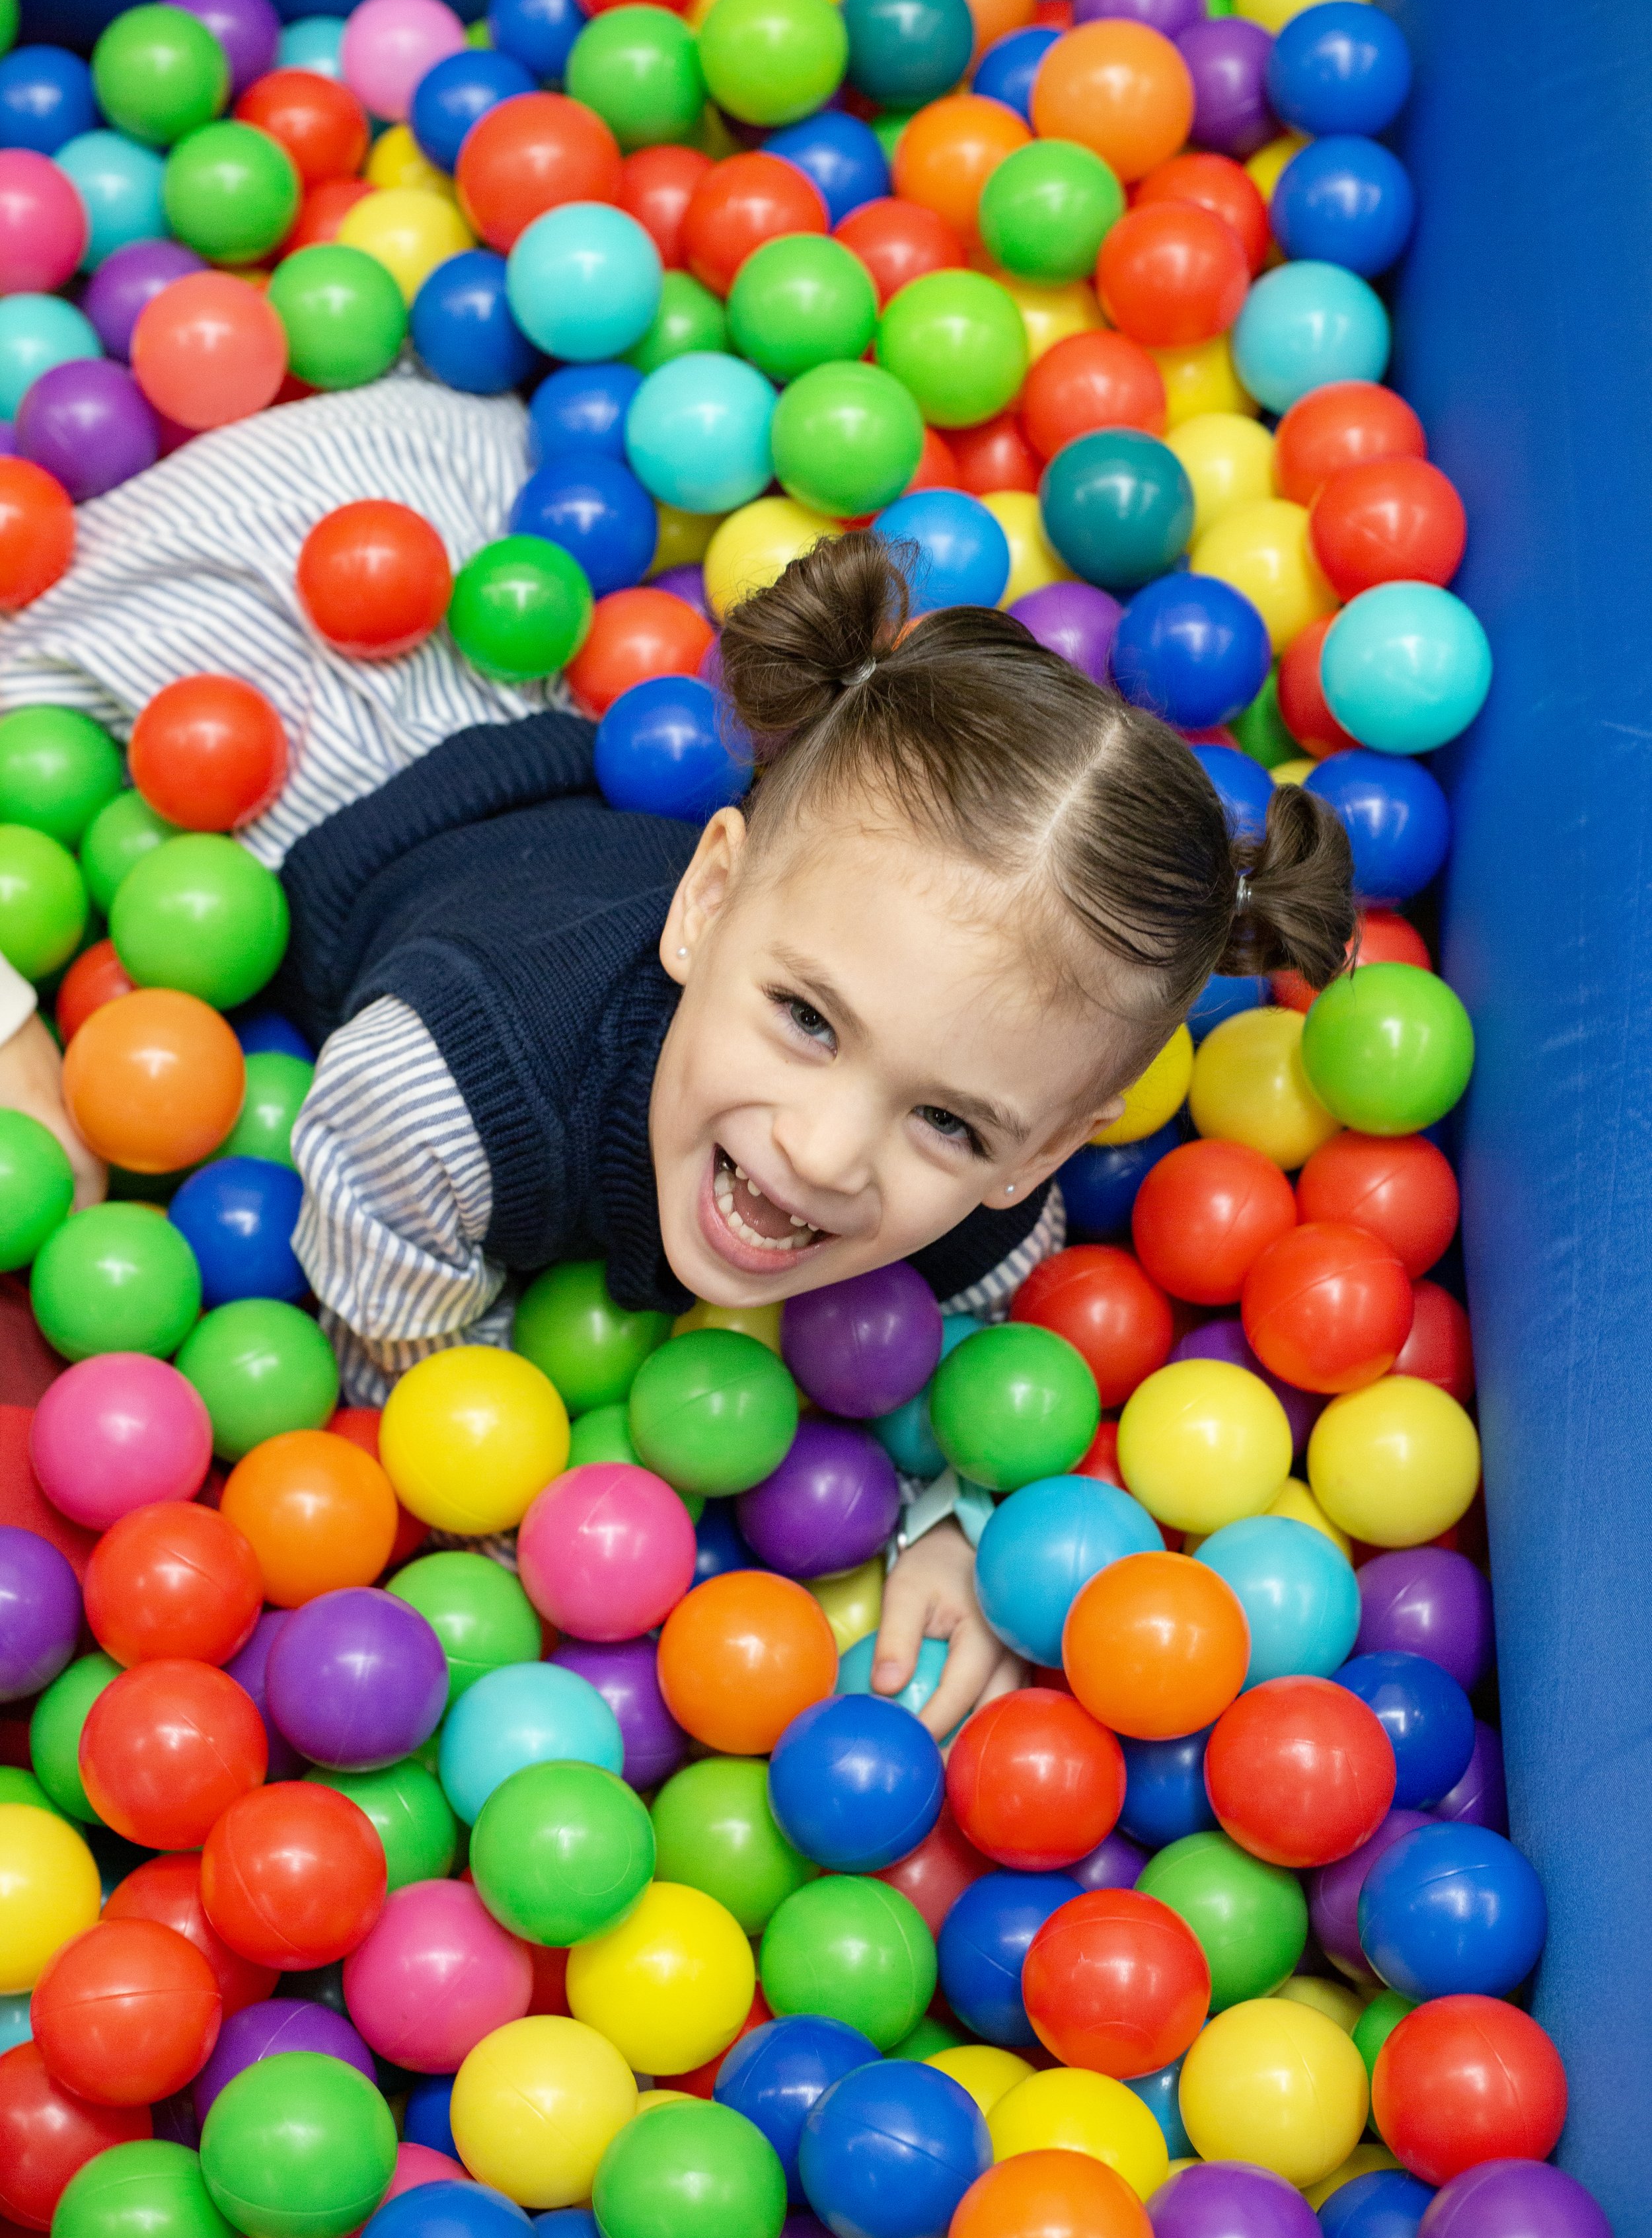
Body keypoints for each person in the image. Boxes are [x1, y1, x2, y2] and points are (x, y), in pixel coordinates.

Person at [0, 375, 1355, 1730]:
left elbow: (988, 1341)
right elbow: (398, 1346)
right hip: (292, 663)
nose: (822, 1154)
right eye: (807, 1021)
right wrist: (492, 1504)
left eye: (949, 1124)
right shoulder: (446, 1097)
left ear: (1047, 1147)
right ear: (708, 899)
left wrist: (960, 1520)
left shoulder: (981, 1215)